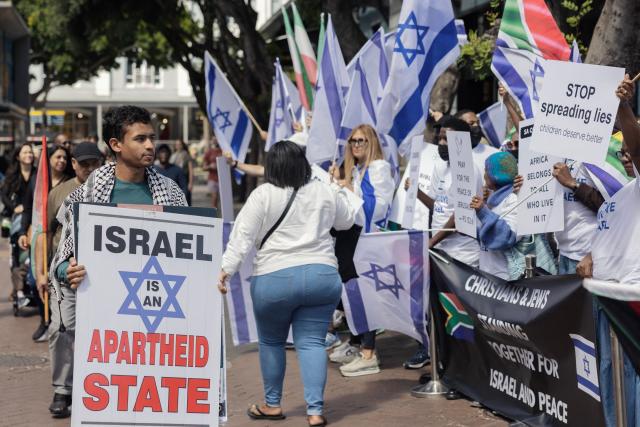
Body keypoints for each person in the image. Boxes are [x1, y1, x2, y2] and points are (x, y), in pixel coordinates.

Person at [217, 140, 355, 426]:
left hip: (274, 277)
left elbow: (241, 238)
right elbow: (346, 221)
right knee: (312, 343)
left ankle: (272, 404)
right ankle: (315, 412)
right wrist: (338, 187)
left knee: (271, 342)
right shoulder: (323, 189)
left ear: (272, 167)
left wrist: (225, 270)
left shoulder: (262, 195)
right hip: (322, 275)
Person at [577, 75, 640, 427]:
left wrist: (623, 107)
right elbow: (600, 243)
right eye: (623, 152)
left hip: (633, 302)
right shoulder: (613, 203)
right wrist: (588, 259)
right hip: (606, 304)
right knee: (610, 375)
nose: (628, 155)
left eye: (632, 150)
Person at [328, 124, 394, 377]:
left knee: (364, 294)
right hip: (350, 238)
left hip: (367, 239)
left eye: (361, 141)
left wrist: (345, 188)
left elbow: (378, 205)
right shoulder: (356, 169)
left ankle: (369, 352)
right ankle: (357, 342)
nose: (356, 145)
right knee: (350, 291)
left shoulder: (379, 168)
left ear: (372, 143)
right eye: (353, 141)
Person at [45, 142, 103, 418]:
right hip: (66, 275)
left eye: (95, 163)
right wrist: (48, 270)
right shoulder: (59, 194)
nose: (91, 168)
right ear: (74, 164)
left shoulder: (109, 191)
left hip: (103, 279)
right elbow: (47, 234)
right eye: (85, 164)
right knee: (61, 329)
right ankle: (62, 390)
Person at [470, 152, 519, 280]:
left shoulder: (513, 200)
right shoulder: (492, 201)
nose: (484, 175)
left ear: (496, 175)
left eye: (487, 170)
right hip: (488, 274)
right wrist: (470, 230)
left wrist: (483, 212)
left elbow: (506, 237)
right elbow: (488, 234)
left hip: (505, 277)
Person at [552, 160, 603, 274]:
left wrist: (573, 184)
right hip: (564, 251)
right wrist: (523, 188)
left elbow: (610, 205)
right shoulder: (556, 158)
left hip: (587, 256)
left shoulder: (597, 158)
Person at [1, 144, 35, 308]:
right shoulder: (12, 175)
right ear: (18, 156)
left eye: (30, 152)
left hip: (32, 219)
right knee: (16, 256)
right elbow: (4, 195)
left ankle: (24, 288)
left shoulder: (36, 174)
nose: (29, 154)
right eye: (25, 152)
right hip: (16, 221)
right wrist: (15, 207)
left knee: (28, 257)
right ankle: (19, 291)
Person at [170, 139, 194, 204]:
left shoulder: (186, 155)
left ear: (182, 145)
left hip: (184, 181)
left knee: (185, 200)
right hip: (175, 181)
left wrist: (190, 183)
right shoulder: (173, 155)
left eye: (179, 144)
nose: (178, 146)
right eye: (176, 144)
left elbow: (191, 170)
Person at [202, 137, 223, 207]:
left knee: (223, 199)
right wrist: (210, 166)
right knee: (214, 197)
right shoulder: (209, 152)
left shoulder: (223, 151)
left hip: (223, 178)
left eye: (216, 139)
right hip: (212, 178)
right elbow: (204, 167)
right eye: (213, 140)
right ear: (211, 141)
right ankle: (215, 214)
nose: (215, 141)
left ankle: (222, 215)